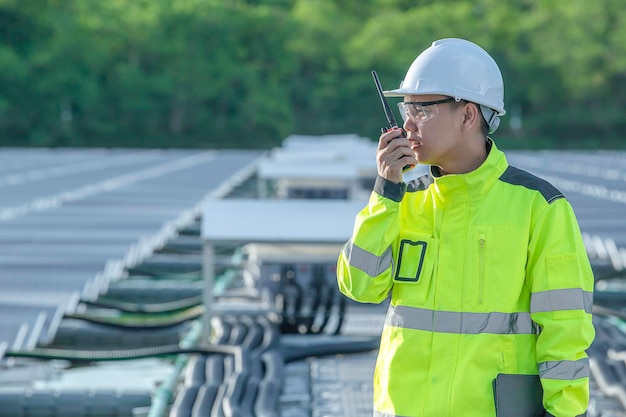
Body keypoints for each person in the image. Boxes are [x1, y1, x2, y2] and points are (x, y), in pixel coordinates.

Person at [336, 38, 595, 417]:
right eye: (405, 108)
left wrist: (565, 413)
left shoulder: (539, 207)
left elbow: (565, 330)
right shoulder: (401, 200)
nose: (407, 124)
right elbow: (358, 286)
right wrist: (385, 192)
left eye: (421, 110)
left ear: (468, 115)